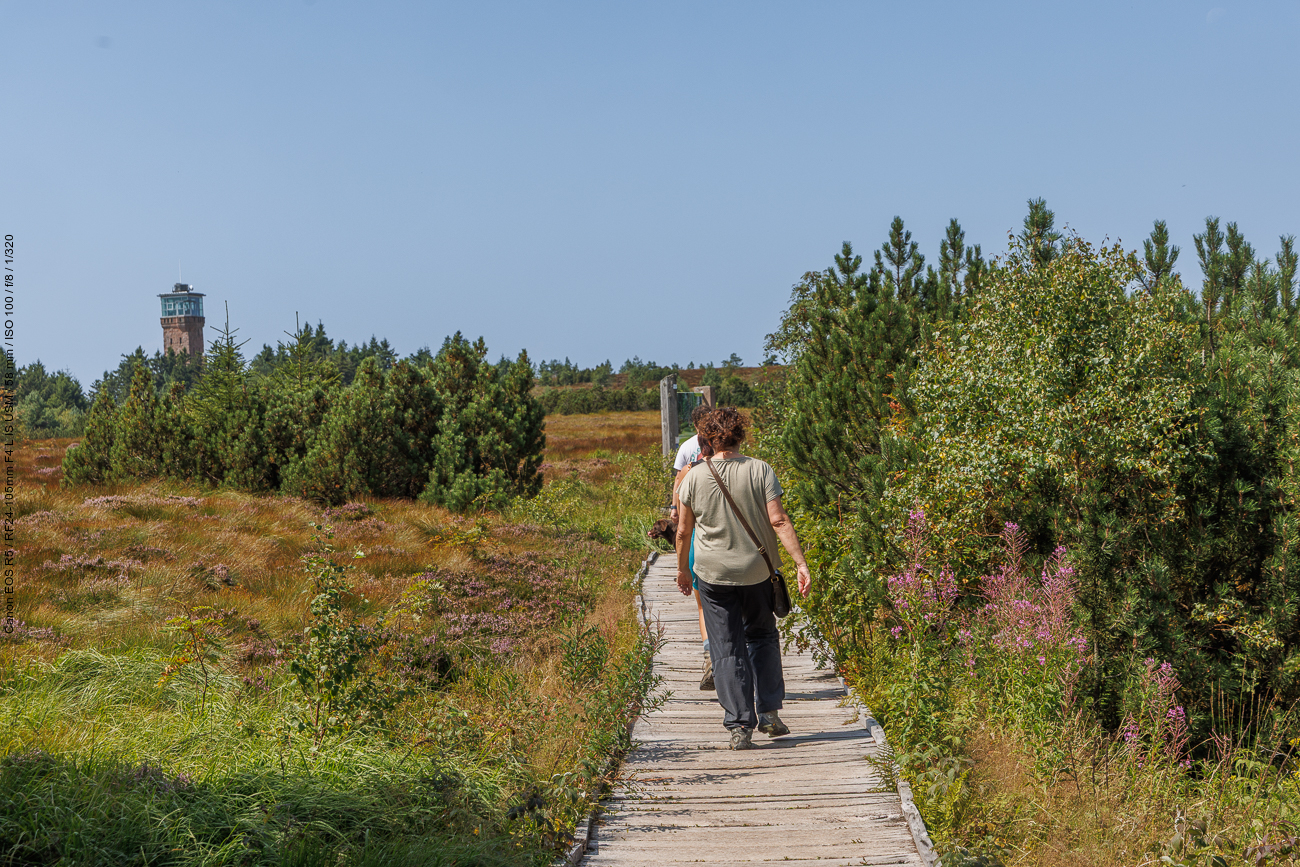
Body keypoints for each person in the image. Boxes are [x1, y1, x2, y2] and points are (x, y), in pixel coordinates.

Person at [675, 406, 812, 750]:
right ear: (740, 434)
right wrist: (800, 563)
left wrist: (681, 570)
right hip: (757, 572)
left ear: (706, 437)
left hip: (713, 574)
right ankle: (769, 713)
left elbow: (683, 531)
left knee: (726, 647)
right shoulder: (761, 470)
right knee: (762, 637)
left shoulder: (693, 477)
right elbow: (778, 520)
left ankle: (739, 726)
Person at [669, 403, 715, 690]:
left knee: (704, 607)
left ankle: (711, 656)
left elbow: (682, 526)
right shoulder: (746, 463)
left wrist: (681, 568)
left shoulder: (687, 464)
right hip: (740, 549)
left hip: (699, 539)